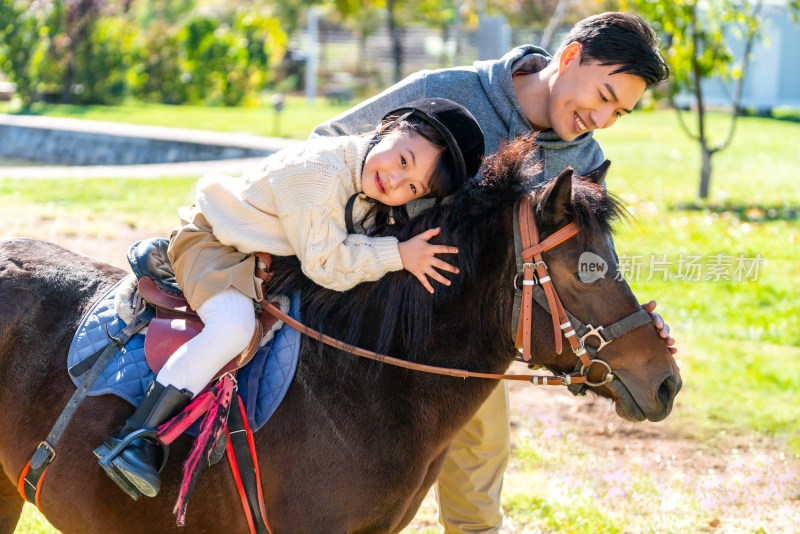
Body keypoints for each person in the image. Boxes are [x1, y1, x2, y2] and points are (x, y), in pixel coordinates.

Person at [312, 11, 677, 533]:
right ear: (570, 57)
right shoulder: (450, 91)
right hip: (366, 302)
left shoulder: (583, 159)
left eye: (619, 112)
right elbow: (327, 141)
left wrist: (631, 325)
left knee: (479, 474)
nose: (602, 118)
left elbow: (593, 264)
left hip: (466, 338)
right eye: (603, 96)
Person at [96, 98, 486, 499]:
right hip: (215, 241)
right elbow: (327, 263)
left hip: (259, 254)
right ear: (390, 127)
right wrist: (398, 254)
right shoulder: (320, 173)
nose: (396, 182)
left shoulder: (366, 181)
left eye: (413, 187)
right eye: (403, 161)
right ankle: (134, 436)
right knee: (233, 327)